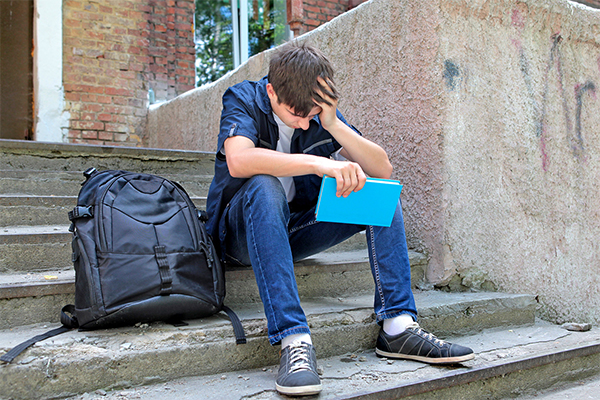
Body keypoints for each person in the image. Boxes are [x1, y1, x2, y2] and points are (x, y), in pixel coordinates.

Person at [205, 41, 474, 396]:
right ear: (271, 91)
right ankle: (293, 340)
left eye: (312, 115)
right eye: (295, 115)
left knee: (379, 195)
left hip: (292, 232)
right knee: (265, 185)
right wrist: (321, 163)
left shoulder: (319, 115)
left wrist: (331, 122)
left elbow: (382, 167)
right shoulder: (243, 99)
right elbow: (239, 160)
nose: (304, 124)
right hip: (238, 237)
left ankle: (398, 326)